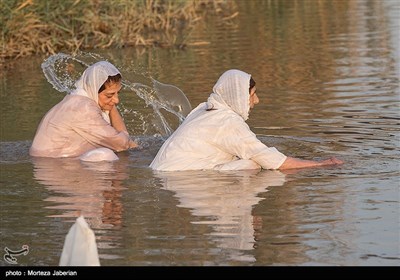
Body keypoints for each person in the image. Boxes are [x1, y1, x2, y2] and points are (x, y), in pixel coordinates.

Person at [150, 69, 343, 171]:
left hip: (163, 172)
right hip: (179, 177)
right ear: (238, 96)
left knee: (245, 158)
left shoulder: (205, 109)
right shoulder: (228, 122)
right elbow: (274, 162)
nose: (256, 101)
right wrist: (321, 164)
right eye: (252, 94)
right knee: (252, 164)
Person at [30, 61, 137, 158]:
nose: (117, 100)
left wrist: (110, 102)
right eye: (110, 95)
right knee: (105, 155)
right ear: (93, 90)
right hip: (54, 165)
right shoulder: (84, 109)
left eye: (118, 93)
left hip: (52, 164)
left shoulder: (75, 101)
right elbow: (120, 144)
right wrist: (130, 143)